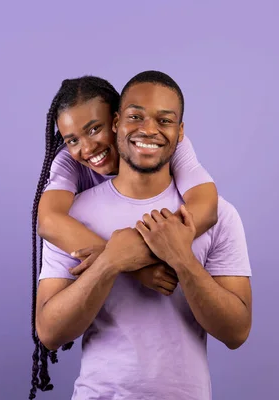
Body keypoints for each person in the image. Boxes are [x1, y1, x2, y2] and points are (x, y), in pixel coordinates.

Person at [34, 71, 253, 399]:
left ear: (180, 132)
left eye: (164, 121)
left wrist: (179, 257)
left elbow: (237, 333)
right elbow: (49, 332)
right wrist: (112, 261)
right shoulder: (73, 213)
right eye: (136, 116)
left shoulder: (217, 212)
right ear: (120, 122)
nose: (149, 129)